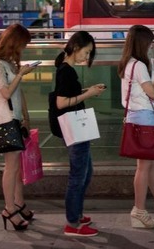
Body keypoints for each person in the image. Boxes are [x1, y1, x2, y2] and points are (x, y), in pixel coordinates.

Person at [118, 25, 154, 228]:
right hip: (143, 117)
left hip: (136, 116)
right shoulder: (139, 66)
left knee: (150, 164)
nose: (151, 47)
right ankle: (139, 211)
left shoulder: (128, 63)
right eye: (150, 43)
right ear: (143, 43)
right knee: (144, 167)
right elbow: (152, 93)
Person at [53, 31, 106, 237]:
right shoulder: (67, 70)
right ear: (75, 47)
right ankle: (72, 223)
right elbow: (61, 102)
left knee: (86, 172)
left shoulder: (65, 68)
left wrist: (87, 90)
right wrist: (88, 94)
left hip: (76, 126)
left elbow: (67, 94)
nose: (87, 57)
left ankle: (76, 214)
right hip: (75, 126)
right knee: (78, 176)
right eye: (86, 52)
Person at [0, 24, 36, 232]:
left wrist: (26, 116)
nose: (22, 49)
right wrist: (20, 74)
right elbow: (5, 93)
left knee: (16, 167)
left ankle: (18, 203)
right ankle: (9, 209)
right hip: (4, 120)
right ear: (14, 42)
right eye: (22, 45)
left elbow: (18, 93)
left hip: (14, 119)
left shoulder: (8, 62)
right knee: (11, 167)